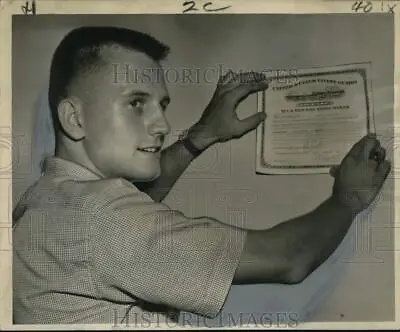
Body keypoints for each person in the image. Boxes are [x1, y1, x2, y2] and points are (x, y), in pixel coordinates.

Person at [13, 26, 390, 325]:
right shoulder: (101, 215)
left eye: (161, 105)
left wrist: (201, 136)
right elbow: (290, 259)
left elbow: (124, 223)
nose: (161, 124)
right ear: (74, 118)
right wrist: (348, 199)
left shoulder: (46, 200)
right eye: (136, 103)